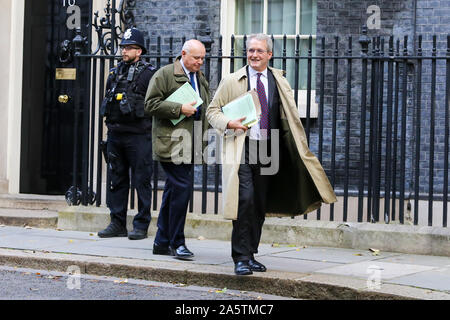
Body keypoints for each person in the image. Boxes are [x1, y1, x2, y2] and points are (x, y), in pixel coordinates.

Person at [207, 33, 337, 275]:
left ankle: (251, 253)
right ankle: (240, 257)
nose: (254, 55)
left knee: (259, 204)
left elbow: (289, 115)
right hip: (243, 148)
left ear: (269, 54)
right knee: (244, 200)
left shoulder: (279, 81)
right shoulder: (232, 80)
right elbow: (212, 112)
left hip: (270, 148)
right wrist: (230, 123)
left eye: (259, 51)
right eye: (250, 50)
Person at [145, 39, 210, 260]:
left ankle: (161, 242)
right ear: (183, 54)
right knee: (182, 188)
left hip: (191, 144)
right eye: (196, 58)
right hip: (171, 143)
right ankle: (177, 243)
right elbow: (150, 104)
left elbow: (206, 106)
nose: (200, 62)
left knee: (173, 190)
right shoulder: (164, 75)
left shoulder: (199, 77)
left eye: (203, 58)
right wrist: (178, 108)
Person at [98, 28, 156, 240]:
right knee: (116, 179)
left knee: (141, 180)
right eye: (123, 47)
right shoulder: (114, 73)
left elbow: (155, 103)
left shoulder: (149, 74)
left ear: (139, 51)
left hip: (139, 135)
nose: (124, 51)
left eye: (129, 47)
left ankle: (141, 225)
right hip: (116, 134)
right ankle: (117, 223)